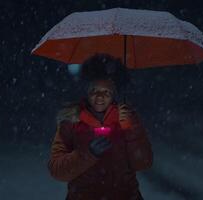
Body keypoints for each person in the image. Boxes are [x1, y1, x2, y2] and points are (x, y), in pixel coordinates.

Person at [47, 54, 153, 200]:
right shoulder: (71, 121)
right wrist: (88, 154)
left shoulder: (127, 118)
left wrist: (130, 128)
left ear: (114, 93)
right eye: (94, 91)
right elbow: (57, 170)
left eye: (106, 92)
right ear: (86, 91)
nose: (100, 97)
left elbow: (143, 163)